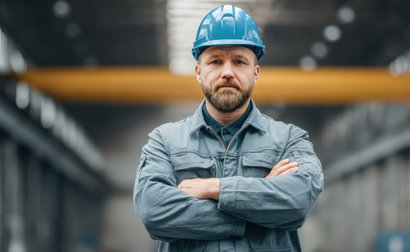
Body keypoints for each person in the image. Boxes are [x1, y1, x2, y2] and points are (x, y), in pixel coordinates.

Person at [134, 5, 323, 252]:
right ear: (199, 72)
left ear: (255, 72)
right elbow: (154, 212)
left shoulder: (290, 140)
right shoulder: (164, 142)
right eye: (215, 61)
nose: (227, 72)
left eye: (239, 62)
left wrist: (212, 188)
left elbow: (297, 201)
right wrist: (259, 206)